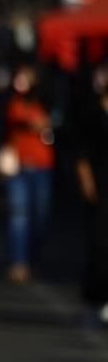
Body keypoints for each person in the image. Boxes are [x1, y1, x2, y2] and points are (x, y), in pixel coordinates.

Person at [4, 64, 54, 283]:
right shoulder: (12, 101)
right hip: (19, 165)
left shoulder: (46, 101)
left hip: (42, 165)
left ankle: (35, 261)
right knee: (19, 215)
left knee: (39, 216)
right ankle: (19, 262)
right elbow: (17, 122)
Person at [76, 62, 108, 324]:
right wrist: (86, 180)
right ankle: (96, 297)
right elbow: (83, 151)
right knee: (99, 242)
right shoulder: (92, 109)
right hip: (100, 181)